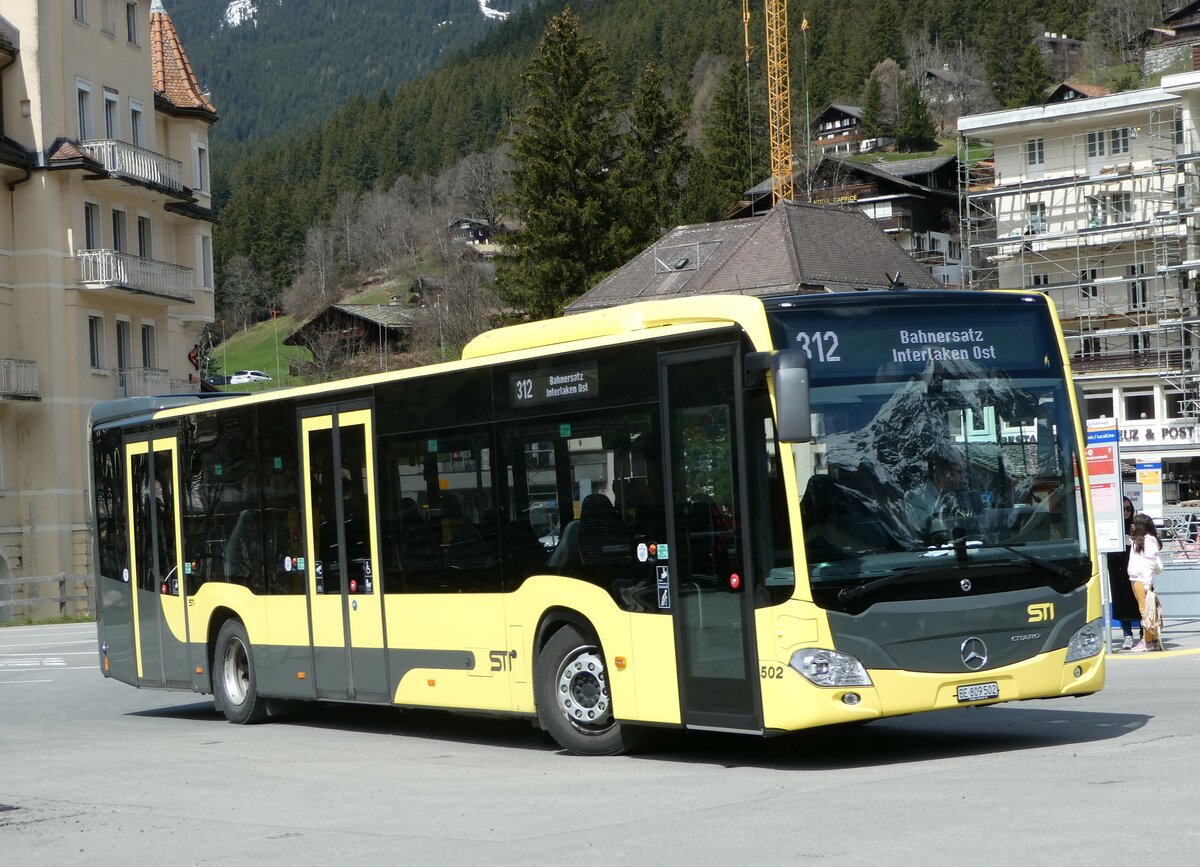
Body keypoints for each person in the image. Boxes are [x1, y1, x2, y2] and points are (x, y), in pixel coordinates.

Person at [1106, 498, 1142, 651]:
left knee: (1140, 600)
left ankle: (1144, 633)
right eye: (1123, 509)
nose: (1126, 512)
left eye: (1129, 509)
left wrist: (1135, 536)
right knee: (1121, 600)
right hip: (1117, 568)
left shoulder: (1137, 525)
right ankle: (1127, 635)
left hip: (1136, 569)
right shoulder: (1113, 526)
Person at [1127, 512, 1162, 652]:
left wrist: (1147, 585)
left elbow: (1149, 564)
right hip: (1137, 579)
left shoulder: (1148, 542)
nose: (1132, 525)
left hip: (1142, 580)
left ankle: (1147, 641)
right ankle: (1153, 640)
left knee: (1145, 611)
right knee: (1147, 610)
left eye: (1135, 523)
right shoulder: (1140, 540)